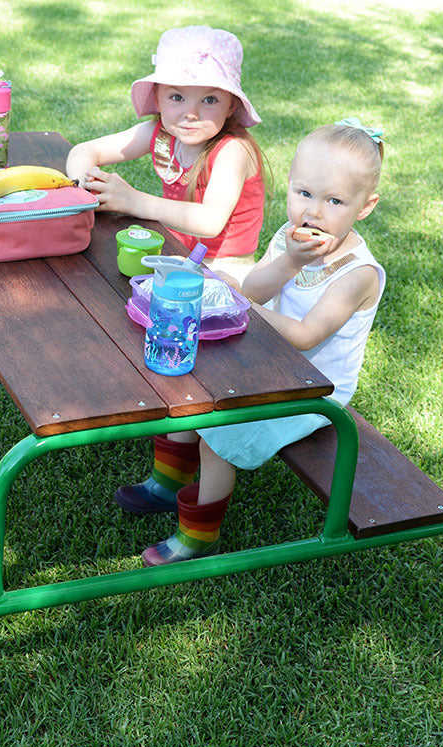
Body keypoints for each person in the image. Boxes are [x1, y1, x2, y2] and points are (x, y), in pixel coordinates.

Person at [116, 118, 387, 566]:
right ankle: (167, 483)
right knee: (190, 397)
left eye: (334, 201)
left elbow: (304, 336)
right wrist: (284, 265)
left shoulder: (357, 273)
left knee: (218, 432)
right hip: (275, 359)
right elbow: (260, 288)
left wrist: (239, 300)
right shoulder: (290, 236)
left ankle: (199, 534)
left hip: (318, 388)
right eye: (303, 193)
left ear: (366, 205)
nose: (313, 212)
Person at [65, 25, 266, 284]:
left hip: (224, 269)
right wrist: (87, 183)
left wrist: (134, 200)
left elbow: (211, 220)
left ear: (231, 105)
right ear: (157, 99)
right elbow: (85, 150)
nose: (190, 113)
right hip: (173, 252)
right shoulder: (160, 133)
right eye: (177, 97)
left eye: (210, 100)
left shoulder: (233, 150)